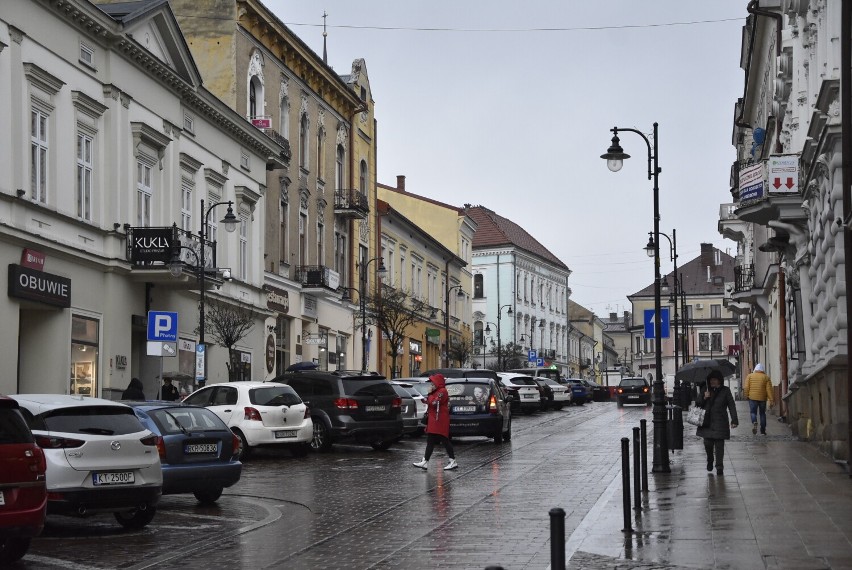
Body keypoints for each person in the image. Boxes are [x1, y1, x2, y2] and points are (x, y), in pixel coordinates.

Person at [696, 369, 738, 475]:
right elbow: (698, 404)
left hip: (720, 421)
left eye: (714, 380)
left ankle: (719, 467)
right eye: (711, 380)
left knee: (719, 446)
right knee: (707, 443)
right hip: (707, 422)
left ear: (720, 380)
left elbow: (731, 405)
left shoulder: (726, 390)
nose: (712, 382)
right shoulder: (705, 389)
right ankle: (710, 459)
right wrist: (704, 397)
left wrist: (734, 420)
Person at [413, 373, 458, 471]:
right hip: (435, 419)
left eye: (433, 384)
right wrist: (427, 399)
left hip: (439, 420)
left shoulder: (442, 391)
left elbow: (434, 403)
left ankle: (452, 460)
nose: (431, 386)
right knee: (431, 440)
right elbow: (432, 401)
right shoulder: (437, 391)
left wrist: (429, 396)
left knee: (444, 439)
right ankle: (425, 461)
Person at [743, 363, 774, 435]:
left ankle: (754, 422)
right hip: (763, 398)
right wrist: (771, 399)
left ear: (755, 369)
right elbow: (769, 389)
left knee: (753, 412)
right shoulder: (766, 377)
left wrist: (746, 395)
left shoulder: (750, 376)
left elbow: (746, 387)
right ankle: (763, 431)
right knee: (762, 414)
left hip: (752, 398)